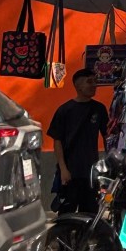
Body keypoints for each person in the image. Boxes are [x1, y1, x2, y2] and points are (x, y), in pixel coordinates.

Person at [47, 69, 109, 214]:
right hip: (70, 171)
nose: (94, 85)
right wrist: (63, 169)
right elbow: (57, 141)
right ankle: (65, 237)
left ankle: (85, 237)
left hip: (91, 172)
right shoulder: (64, 110)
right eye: (89, 82)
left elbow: (107, 137)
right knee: (66, 213)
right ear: (78, 85)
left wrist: (107, 162)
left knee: (90, 213)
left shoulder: (99, 109)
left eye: (95, 81)